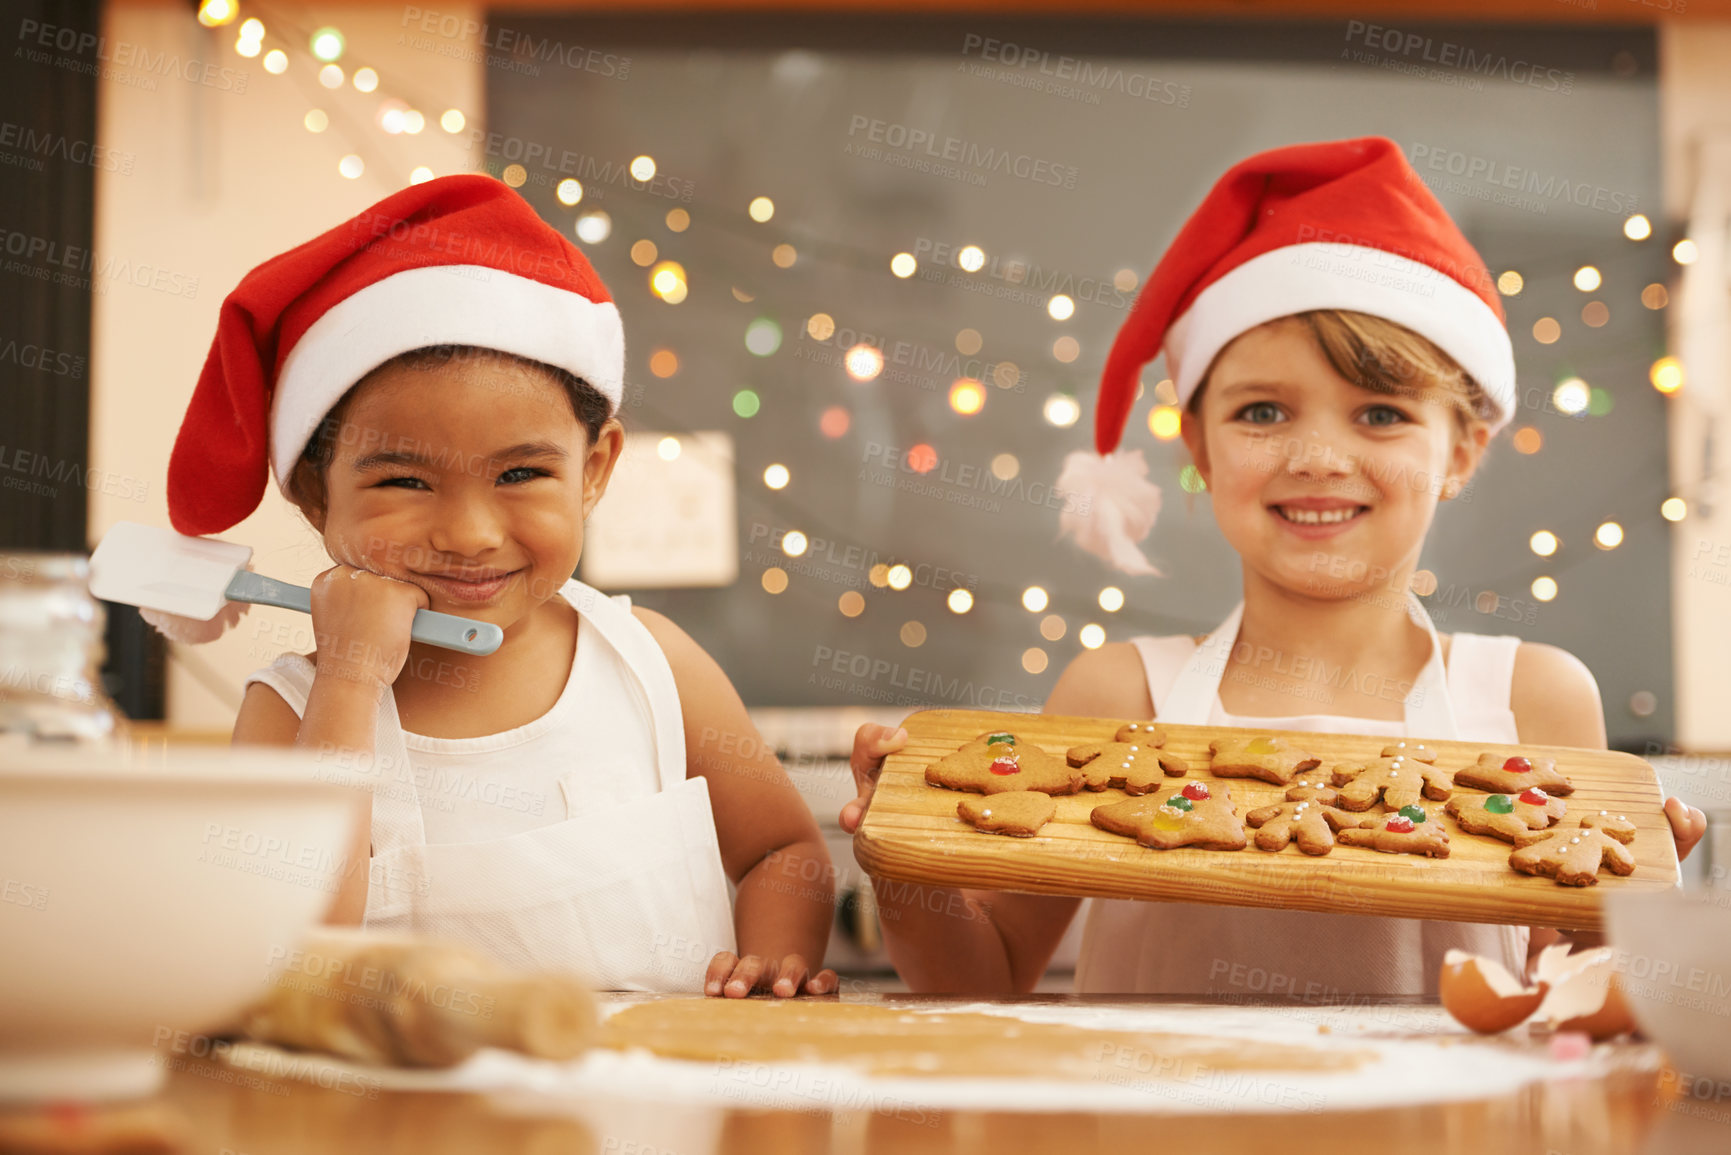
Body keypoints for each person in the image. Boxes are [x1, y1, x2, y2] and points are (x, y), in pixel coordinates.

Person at [840, 137, 1708, 995]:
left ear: (1461, 452)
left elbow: (1572, 997)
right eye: (1262, 410)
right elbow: (980, 980)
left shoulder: (1532, 700)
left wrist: (1621, 916)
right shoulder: (1117, 699)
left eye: (1378, 414)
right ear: (1199, 446)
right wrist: (904, 858)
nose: (1319, 456)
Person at [166, 175, 837, 997]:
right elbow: (287, 951)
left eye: (520, 472)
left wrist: (774, 963)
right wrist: (349, 680)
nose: (470, 533)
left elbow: (783, 852)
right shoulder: (293, 711)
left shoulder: (651, 664)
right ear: (314, 493)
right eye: (405, 482)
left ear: (594, 470)